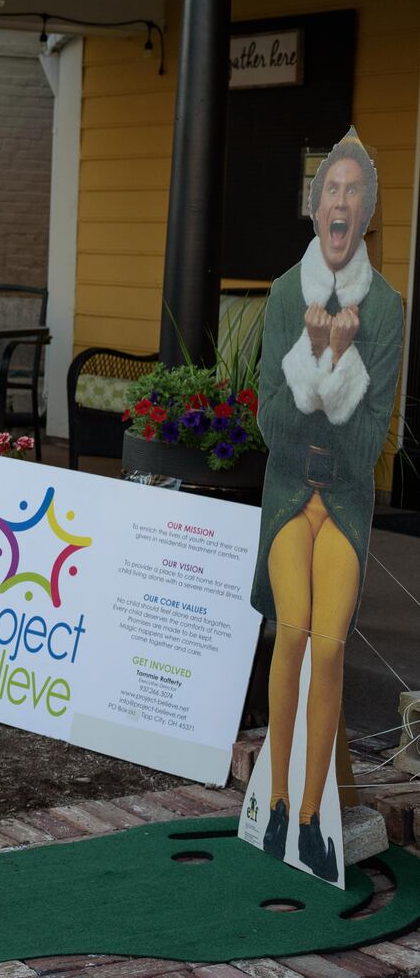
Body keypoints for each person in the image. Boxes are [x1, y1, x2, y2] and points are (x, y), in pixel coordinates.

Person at [250, 130, 402, 882]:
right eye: (329, 191)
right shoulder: (283, 296)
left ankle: (312, 820)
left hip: (342, 497)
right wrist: (309, 362)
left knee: (331, 645)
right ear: (315, 211)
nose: (340, 202)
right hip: (287, 493)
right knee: (294, 632)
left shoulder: (389, 310)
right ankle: (276, 802)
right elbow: (269, 425)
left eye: (353, 192)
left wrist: (336, 363)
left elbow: (370, 440)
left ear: (366, 214)